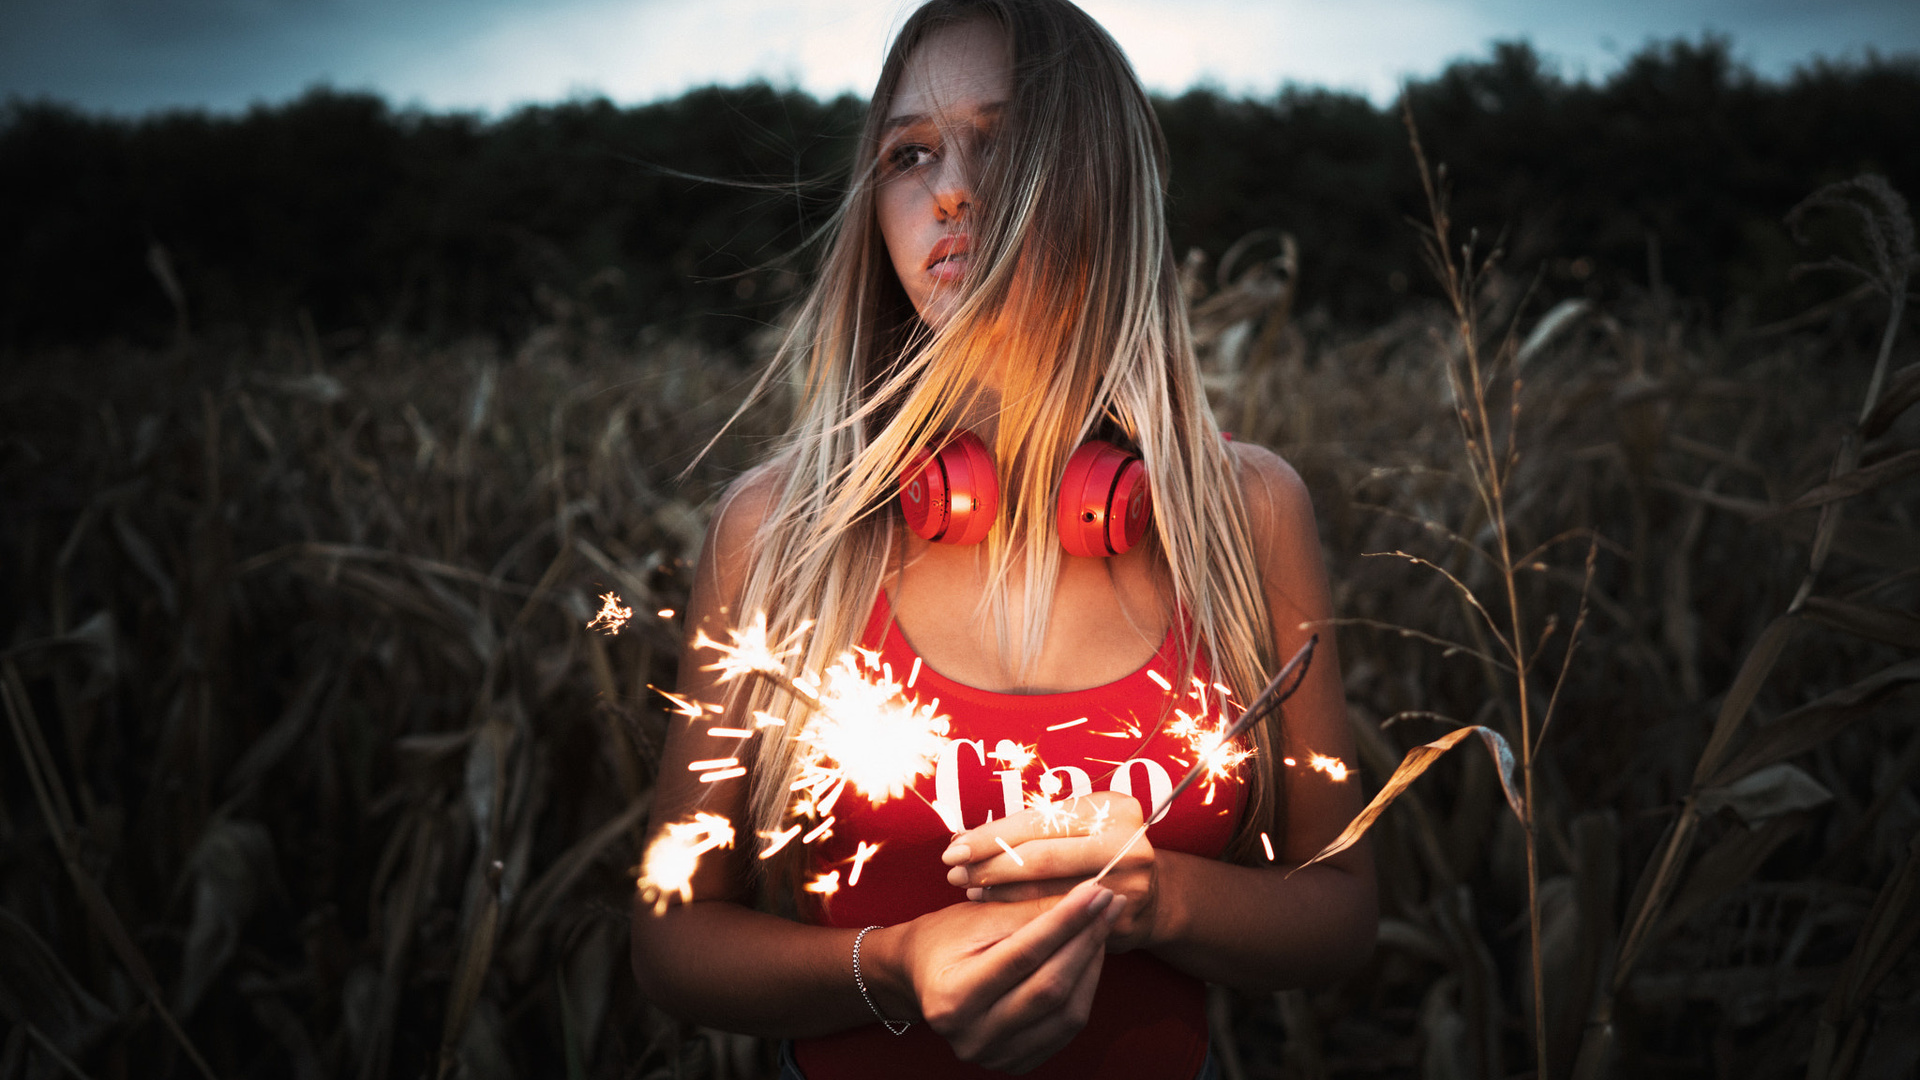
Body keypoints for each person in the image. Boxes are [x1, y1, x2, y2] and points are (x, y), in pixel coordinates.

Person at [630, 1, 1375, 1076]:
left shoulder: (1246, 512)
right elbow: (670, 939)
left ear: (1106, 181)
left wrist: (1158, 896)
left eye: (1005, 139)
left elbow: (1342, 913)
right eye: (910, 152)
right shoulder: (777, 529)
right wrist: (893, 961)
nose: (951, 190)